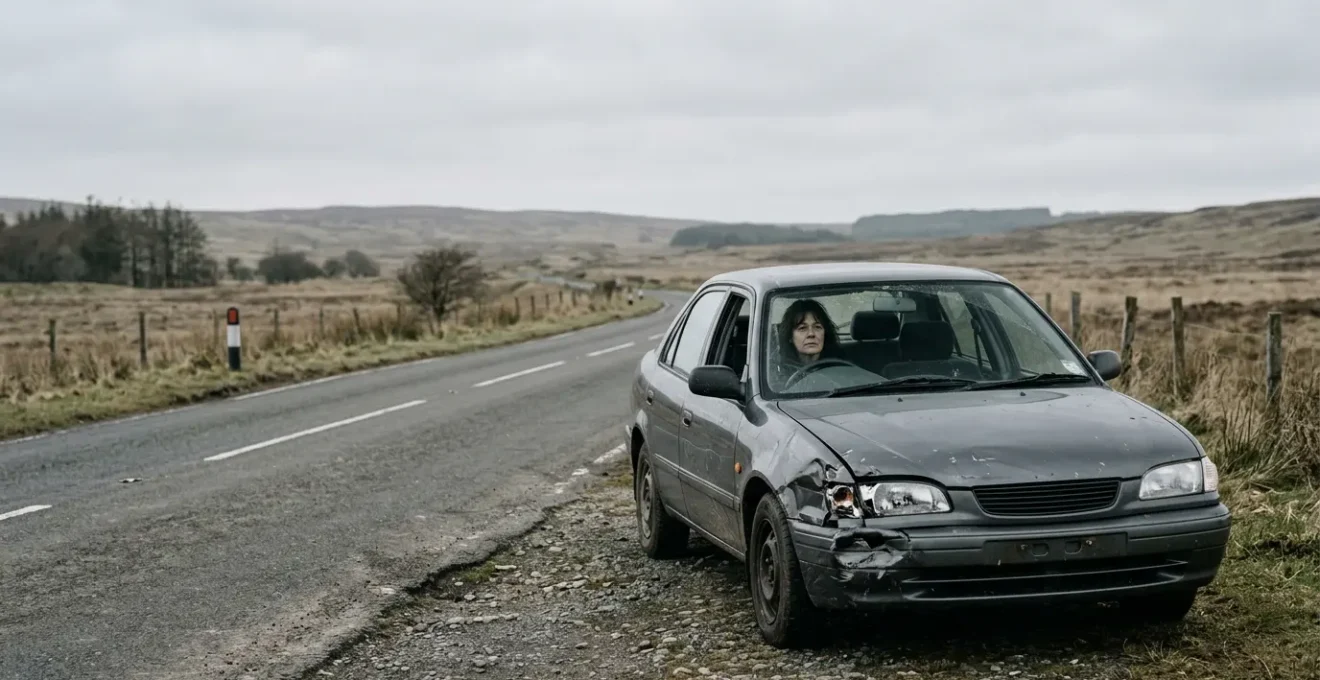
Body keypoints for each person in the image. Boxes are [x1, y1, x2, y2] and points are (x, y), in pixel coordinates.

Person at [770, 298, 842, 387]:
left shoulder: (841, 369)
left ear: (825, 333)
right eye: (802, 328)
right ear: (790, 337)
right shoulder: (778, 376)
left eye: (817, 327)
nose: (811, 334)